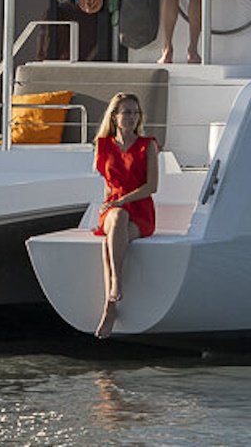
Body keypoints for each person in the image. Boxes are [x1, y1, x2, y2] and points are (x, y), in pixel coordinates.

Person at [92, 91, 158, 338]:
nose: (132, 117)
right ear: (115, 116)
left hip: (140, 209)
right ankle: (116, 287)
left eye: (135, 112)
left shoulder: (147, 145)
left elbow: (152, 187)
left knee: (110, 242)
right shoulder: (103, 146)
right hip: (114, 209)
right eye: (126, 112)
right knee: (117, 219)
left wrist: (120, 201)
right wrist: (111, 203)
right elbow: (109, 185)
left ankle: (110, 304)